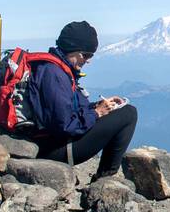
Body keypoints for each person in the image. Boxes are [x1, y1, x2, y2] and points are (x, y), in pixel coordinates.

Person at [27, 21, 137, 180]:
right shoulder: (54, 75)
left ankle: (106, 178)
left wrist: (99, 107)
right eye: (86, 55)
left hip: (52, 144)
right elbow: (65, 126)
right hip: (57, 150)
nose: (88, 60)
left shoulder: (56, 69)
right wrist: (97, 114)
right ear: (72, 50)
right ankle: (106, 178)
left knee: (124, 112)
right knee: (128, 114)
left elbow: (68, 111)